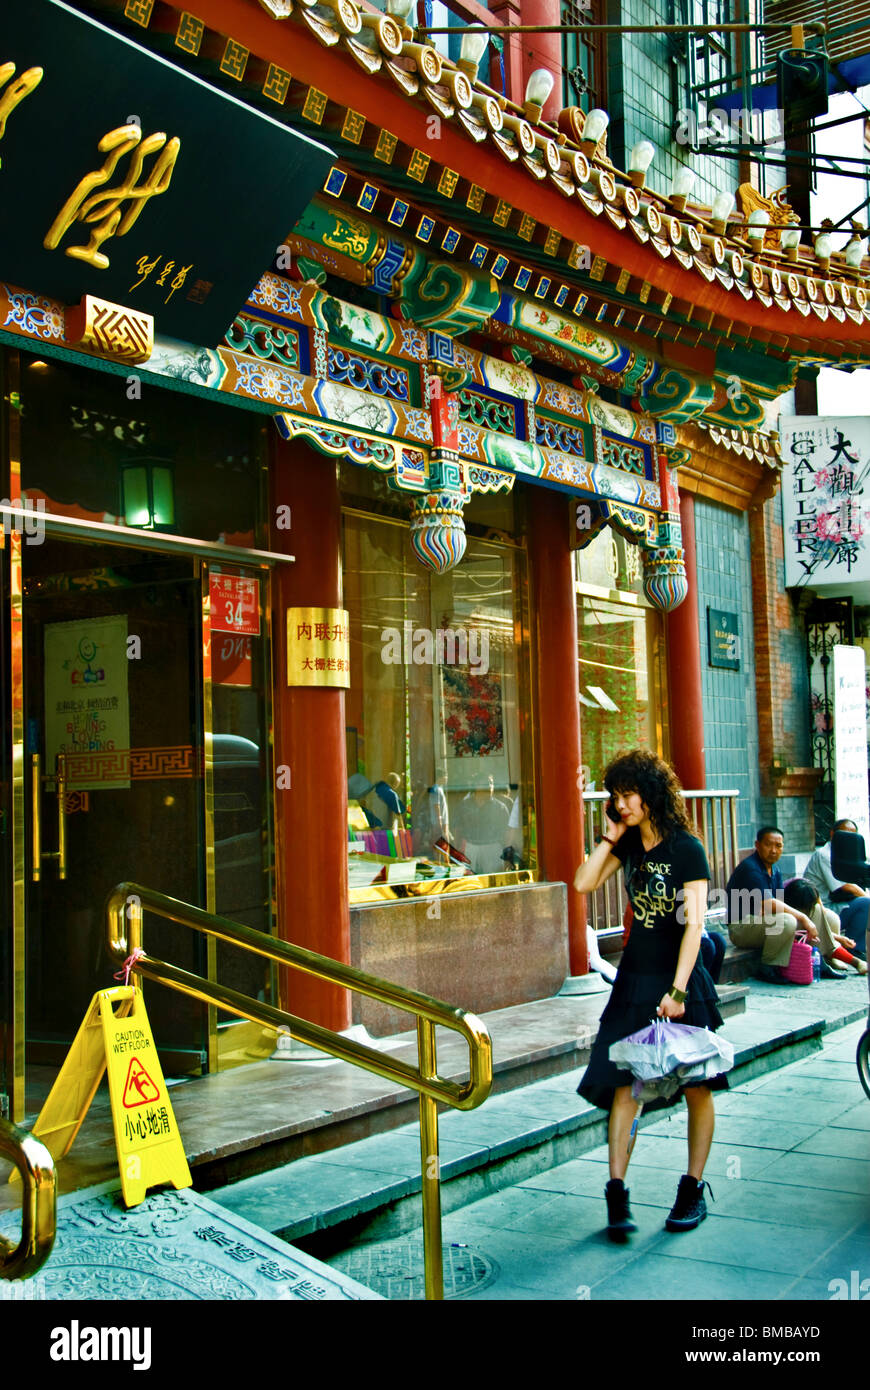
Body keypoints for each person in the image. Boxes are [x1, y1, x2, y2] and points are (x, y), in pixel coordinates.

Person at [574, 749, 728, 1242]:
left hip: (679, 977)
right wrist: (610, 836)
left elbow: (694, 925)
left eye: (628, 794)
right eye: (614, 796)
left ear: (653, 793)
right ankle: (616, 1195)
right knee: (625, 1085)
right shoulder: (629, 845)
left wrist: (679, 990)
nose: (621, 803)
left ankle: (692, 1188)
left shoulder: (687, 849)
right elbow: (582, 882)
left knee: (697, 1085)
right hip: (634, 978)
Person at [724, 826, 820, 982]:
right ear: (757, 845)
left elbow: (777, 904)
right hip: (740, 928)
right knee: (787, 920)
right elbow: (770, 904)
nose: (774, 850)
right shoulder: (751, 869)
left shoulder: (775, 870)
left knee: (816, 911)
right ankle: (768, 967)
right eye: (768, 844)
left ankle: (821, 958)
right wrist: (803, 918)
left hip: (761, 922)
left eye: (779, 846)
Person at [804, 820, 869, 960]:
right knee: (865, 903)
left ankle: (854, 946)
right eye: (845, 834)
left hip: (836, 905)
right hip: (820, 909)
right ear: (833, 834)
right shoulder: (825, 854)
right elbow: (846, 886)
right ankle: (854, 949)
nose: (848, 839)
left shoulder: (849, 854)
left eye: (852, 835)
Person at [782, 878, 868, 977]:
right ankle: (844, 962)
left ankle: (852, 962)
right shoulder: (786, 901)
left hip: (810, 937)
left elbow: (819, 932)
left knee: (825, 918)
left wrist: (839, 938)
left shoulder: (808, 890)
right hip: (789, 939)